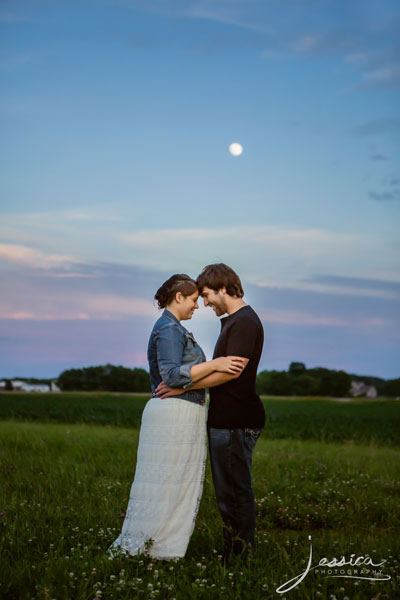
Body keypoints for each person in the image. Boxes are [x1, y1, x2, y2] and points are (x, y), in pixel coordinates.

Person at [108, 274, 246, 561]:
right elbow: (171, 375)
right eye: (194, 300)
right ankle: (154, 547)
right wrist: (216, 363)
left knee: (173, 482)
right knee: (165, 483)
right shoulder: (169, 329)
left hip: (183, 409)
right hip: (174, 410)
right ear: (179, 297)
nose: (198, 306)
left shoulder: (175, 328)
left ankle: (160, 546)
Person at [156, 264, 265, 561]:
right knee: (228, 493)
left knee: (234, 493)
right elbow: (222, 369)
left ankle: (240, 558)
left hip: (236, 419)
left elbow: (232, 372)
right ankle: (235, 551)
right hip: (226, 420)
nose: (204, 303)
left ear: (223, 288)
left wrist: (181, 388)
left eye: (206, 295)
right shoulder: (233, 321)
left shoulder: (243, 322)